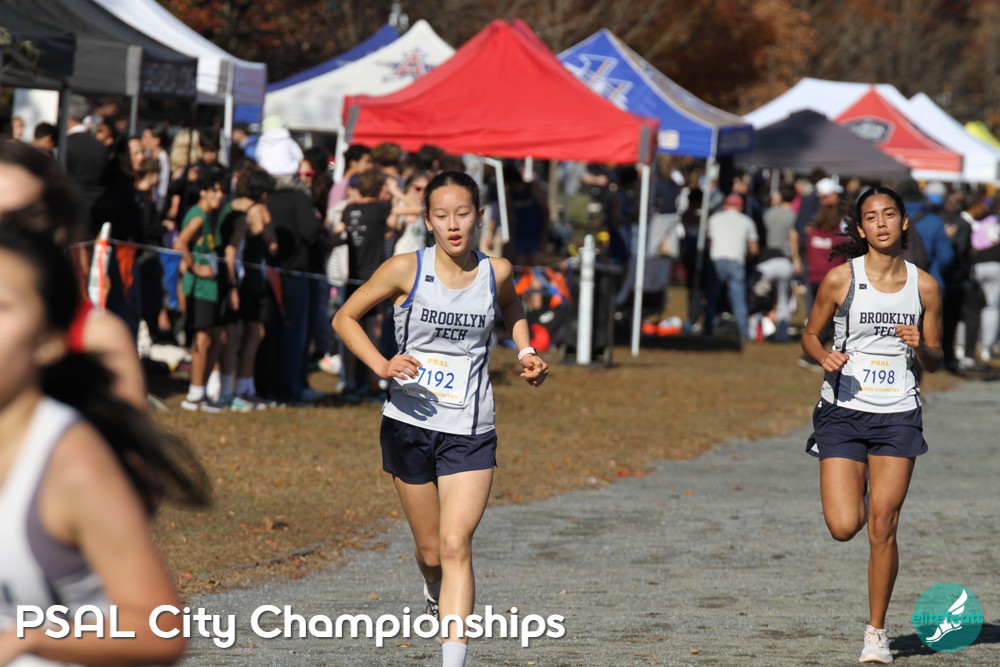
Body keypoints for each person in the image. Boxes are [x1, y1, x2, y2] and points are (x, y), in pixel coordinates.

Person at [332, 170, 548, 667]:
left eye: (463, 214)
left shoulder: (496, 271)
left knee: (455, 545)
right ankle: (432, 588)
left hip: (470, 429)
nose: (453, 225)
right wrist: (382, 365)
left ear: (479, 217)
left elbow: (511, 305)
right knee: (431, 553)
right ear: (428, 221)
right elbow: (344, 317)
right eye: (442, 215)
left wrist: (526, 351)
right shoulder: (405, 269)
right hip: (409, 424)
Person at [0, 226, 211, 665]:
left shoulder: (71, 463)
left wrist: (28, 638)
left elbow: (161, 628)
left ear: (50, 340)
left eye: (1, 307)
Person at [801, 186, 942, 664]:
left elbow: (936, 358)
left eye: (889, 214)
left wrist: (921, 346)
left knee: (884, 525)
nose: (881, 223)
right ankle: (857, 481)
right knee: (845, 526)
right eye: (871, 217)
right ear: (860, 229)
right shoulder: (842, 279)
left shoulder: (925, 287)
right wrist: (823, 356)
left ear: (904, 222)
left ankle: (876, 633)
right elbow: (809, 334)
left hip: (898, 412)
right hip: (843, 410)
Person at [174, 171, 228, 413]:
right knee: (203, 339)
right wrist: (195, 266)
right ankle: (194, 394)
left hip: (211, 287)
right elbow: (180, 243)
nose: (219, 195)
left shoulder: (207, 216)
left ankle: (202, 391)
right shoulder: (197, 216)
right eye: (214, 190)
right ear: (203, 192)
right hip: (199, 287)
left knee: (217, 338)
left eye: (222, 191)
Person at [705, 193, 759, 340]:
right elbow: (754, 249)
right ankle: (743, 333)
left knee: (712, 297)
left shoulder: (714, 219)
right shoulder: (747, 221)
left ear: (725, 205)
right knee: (738, 299)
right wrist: (746, 258)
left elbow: (708, 241)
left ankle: (708, 329)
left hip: (717, 260)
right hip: (736, 261)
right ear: (740, 207)